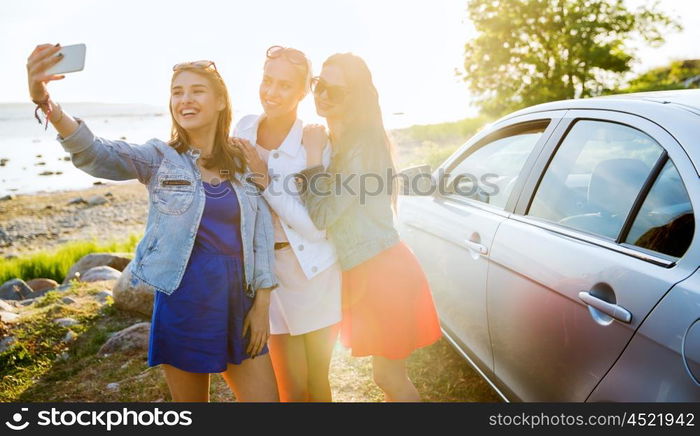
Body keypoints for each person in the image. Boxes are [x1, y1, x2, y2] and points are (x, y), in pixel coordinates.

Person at [25, 43, 279, 402]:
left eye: (196, 91)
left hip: (240, 300)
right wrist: (47, 104)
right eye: (177, 92)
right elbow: (98, 154)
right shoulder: (160, 158)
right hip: (184, 300)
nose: (184, 100)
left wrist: (262, 304)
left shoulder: (240, 161)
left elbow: (261, 235)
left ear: (221, 101)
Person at [297, 53, 442, 402]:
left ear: (356, 96)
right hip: (371, 269)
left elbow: (323, 215)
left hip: (382, 272)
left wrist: (313, 160)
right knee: (388, 378)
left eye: (336, 90)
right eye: (319, 85)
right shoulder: (345, 142)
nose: (324, 94)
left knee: (390, 379)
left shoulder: (359, 149)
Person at [232, 46, 341, 402]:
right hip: (268, 278)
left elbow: (316, 227)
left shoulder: (314, 142)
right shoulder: (243, 129)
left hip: (315, 273)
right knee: (290, 388)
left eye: (284, 85)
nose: (271, 92)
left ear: (302, 92)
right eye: (267, 80)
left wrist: (265, 181)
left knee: (317, 385)